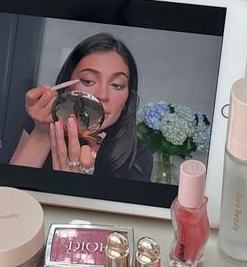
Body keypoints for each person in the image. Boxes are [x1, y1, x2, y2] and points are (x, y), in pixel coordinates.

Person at [10, 33, 152, 181]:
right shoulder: (39, 124)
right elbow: (9, 196)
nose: (102, 95)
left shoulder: (138, 153)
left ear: (127, 99)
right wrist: (42, 133)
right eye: (88, 81)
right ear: (66, 88)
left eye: (117, 85)